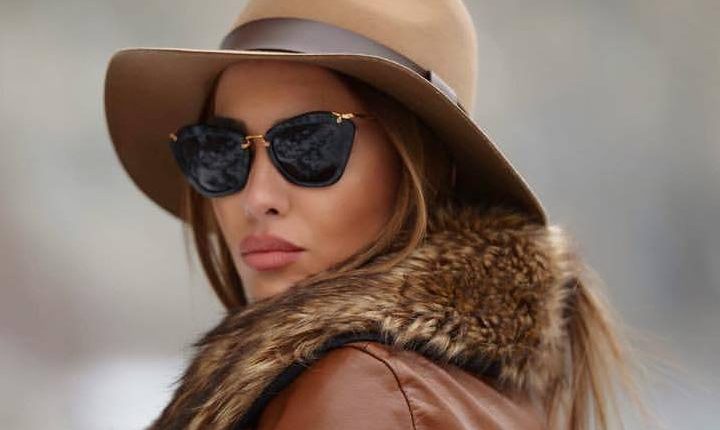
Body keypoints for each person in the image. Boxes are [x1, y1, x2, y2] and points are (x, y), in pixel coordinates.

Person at [104, 0, 649, 428]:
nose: (256, 197)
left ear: (425, 168)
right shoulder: (455, 389)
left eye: (309, 145)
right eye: (220, 152)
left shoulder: (365, 392)